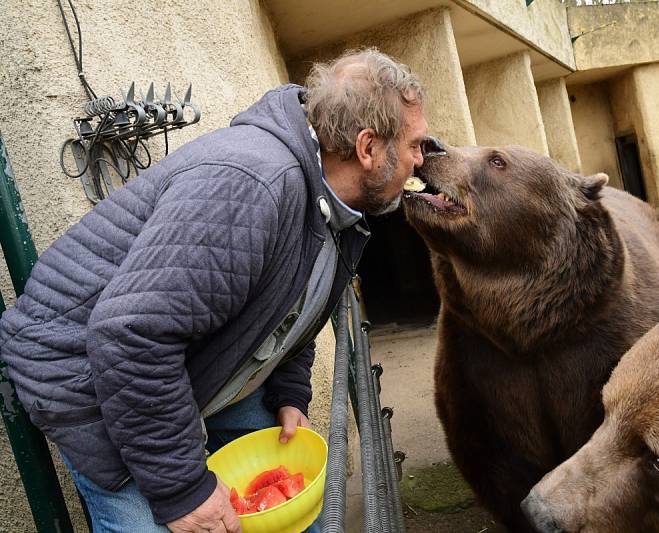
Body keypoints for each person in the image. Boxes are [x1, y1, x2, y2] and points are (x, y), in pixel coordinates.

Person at [0, 48, 432, 532]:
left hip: (186, 357)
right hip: (91, 374)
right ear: (368, 147)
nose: (422, 159)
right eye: (415, 144)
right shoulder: (255, 186)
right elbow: (130, 334)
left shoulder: (335, 208)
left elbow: (292, 307)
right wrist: (184, 493)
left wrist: (288, 392)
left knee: (293, 510)